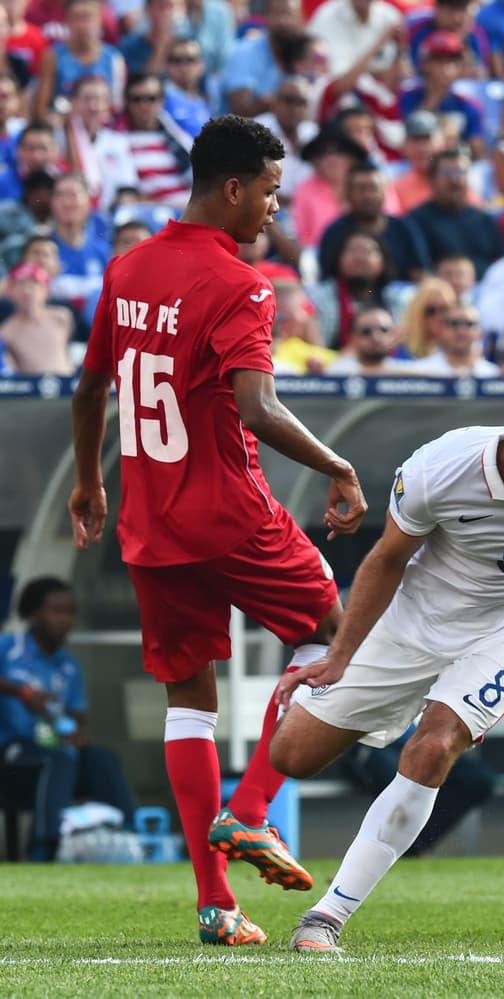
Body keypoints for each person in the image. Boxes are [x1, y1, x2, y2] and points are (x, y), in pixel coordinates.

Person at [68, 114, 369, 947]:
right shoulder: (242, 284)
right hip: (231, 512)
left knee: (188, 699)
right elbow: (257, 406)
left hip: (150, 519)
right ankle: (251, 807)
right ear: (232, 187)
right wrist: (339, 467)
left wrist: (92, 480)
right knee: (339, 635)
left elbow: (89, 387)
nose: (275, 208)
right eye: (271, 192)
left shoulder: (128, 267)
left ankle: (215, 903)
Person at [267, 365, 504, 954]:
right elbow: (386, 560)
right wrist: (339, 657)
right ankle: (341, 676)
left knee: (434, 746)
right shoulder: (439, 468)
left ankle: (326, 917)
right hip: (417, 621)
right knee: (292, 756)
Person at [0, 577, 137, 862]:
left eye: (70, 611)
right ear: (34, 614)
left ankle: (130, 839)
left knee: (102, 759)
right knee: (57, 760)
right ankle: (44, 847)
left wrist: (76, 733)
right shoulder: (9, 649)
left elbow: (78, 715)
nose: (66, 619)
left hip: (52, 749)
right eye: (57, 610)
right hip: (11, 751)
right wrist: (20, 692)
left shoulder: (69, 665)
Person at [339, 727, 497, 856]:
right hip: (370, 740)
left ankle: (412, 845)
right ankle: (372, 855)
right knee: (403, 785)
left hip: (420, 737)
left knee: (477, 778)